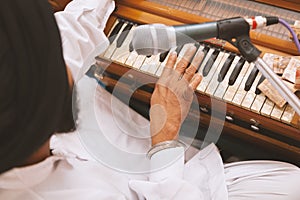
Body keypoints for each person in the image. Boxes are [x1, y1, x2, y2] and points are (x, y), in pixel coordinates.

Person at [0, 0, 300, 199]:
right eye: (55, 57)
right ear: (42, 100)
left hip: (180, 154)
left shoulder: (19, 84)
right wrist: (165, 136)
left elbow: (76, 27)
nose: (65, 56)